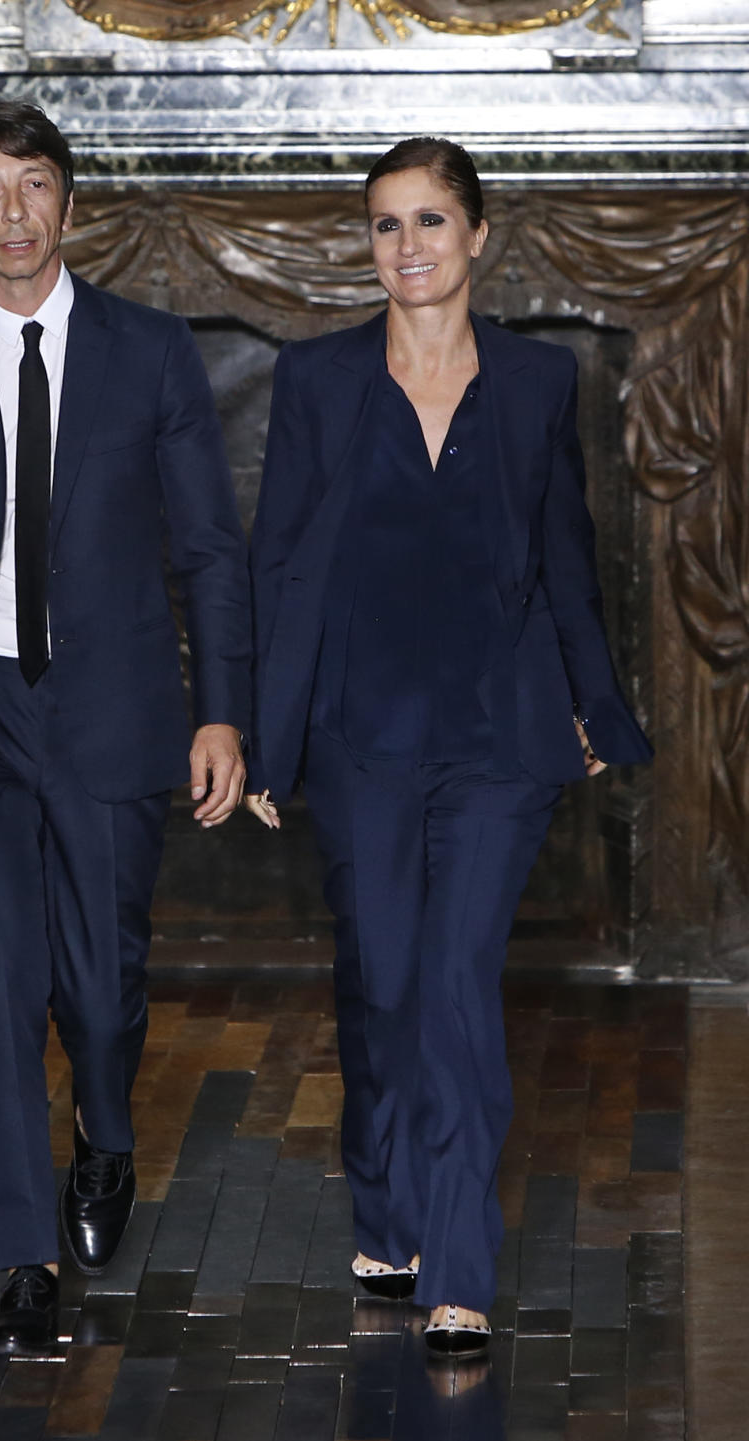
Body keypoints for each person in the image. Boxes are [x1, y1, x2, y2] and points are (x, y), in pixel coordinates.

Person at [0, 101, 250, 1356]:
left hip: (117, 708)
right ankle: (25, 1258)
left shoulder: (151, 352)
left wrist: (223, 711)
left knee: (100, 989)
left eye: (33, 187)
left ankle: (108, 1133)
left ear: (71, 207)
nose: (12, 212)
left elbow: (208, 549)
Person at [245, 137, 652, 1359]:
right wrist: (269, 741)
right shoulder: (317, 381)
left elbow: (567, 558)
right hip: (361, 731)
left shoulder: (534, 382)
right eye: (385, 226)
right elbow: (283, 566)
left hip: (498, 735)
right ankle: (387, 1203)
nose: (408, 248)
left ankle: (458, 1270)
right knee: (385, 984)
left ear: (479, 236)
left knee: (458, 987)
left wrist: (592, 702)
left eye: (430, 223)